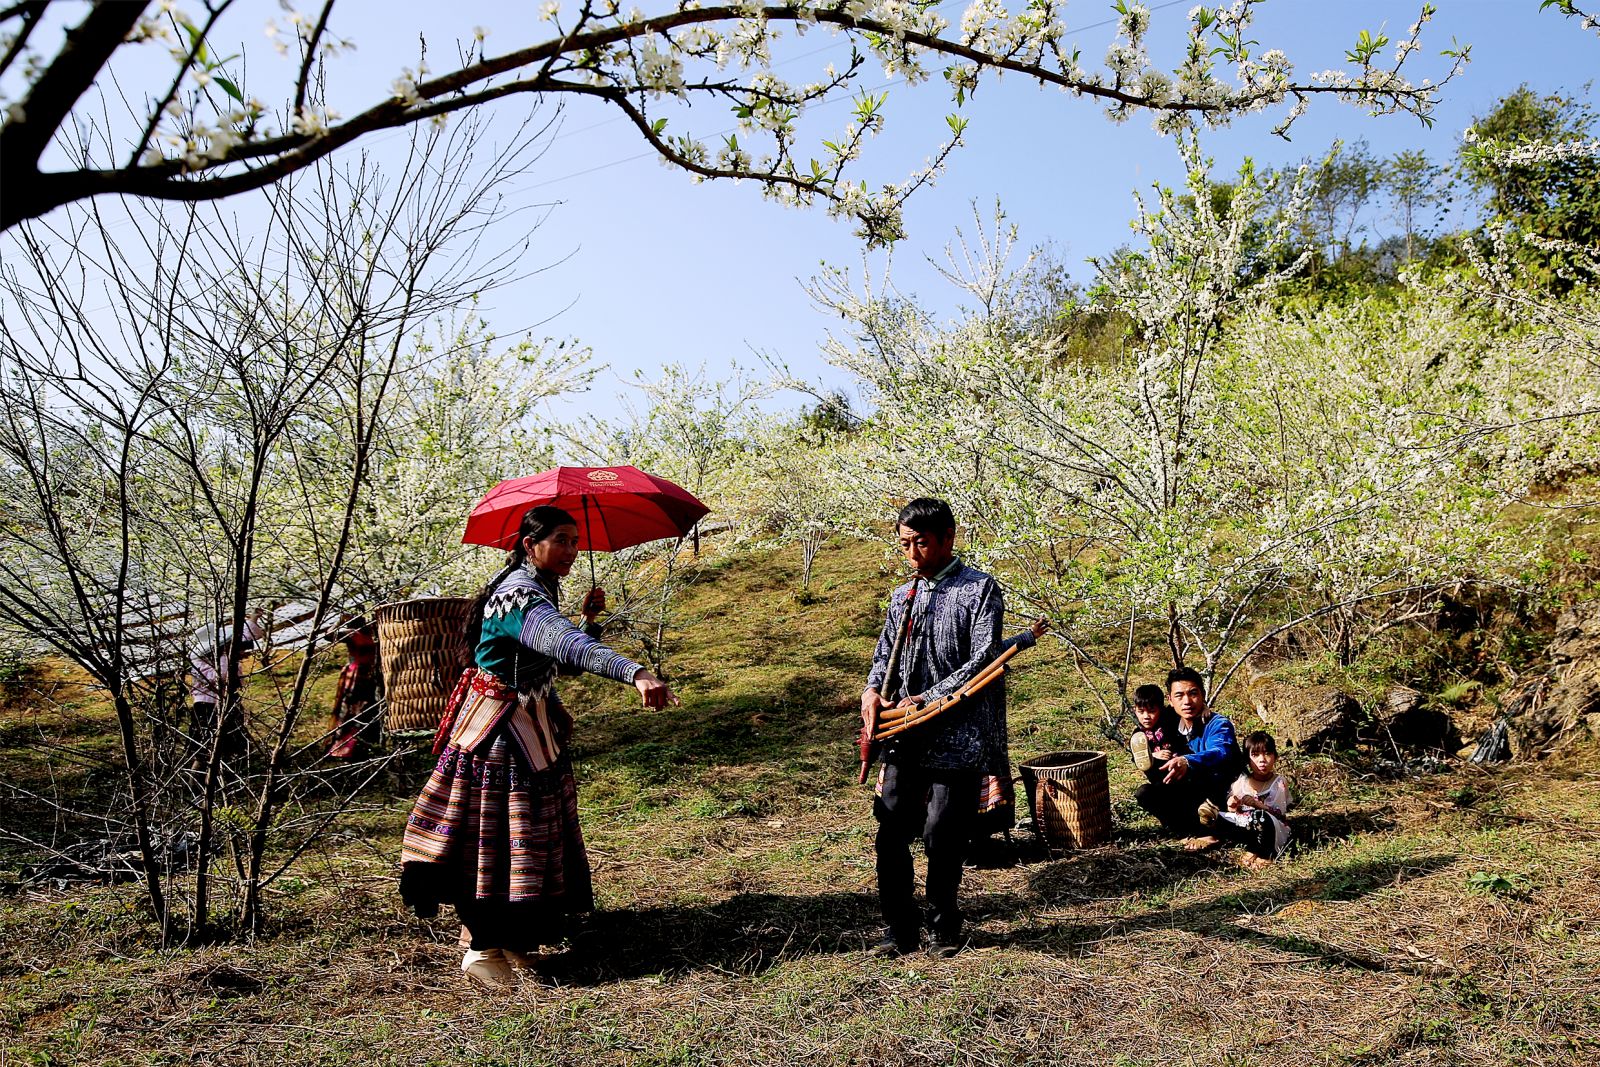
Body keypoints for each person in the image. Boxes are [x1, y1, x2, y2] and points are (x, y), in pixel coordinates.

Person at [399, 505, 678, 991]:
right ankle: (483, 947)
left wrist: (588, 620)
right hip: (499, 736)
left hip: (527, 729)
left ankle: (510, 940)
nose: (571, 550)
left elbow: (559, 659)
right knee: (494, 840)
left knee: (524, 838)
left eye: (575, 541)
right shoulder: (519, 595)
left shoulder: (539, 590)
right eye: (562, 540)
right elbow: (565, 645)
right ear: (530, 545)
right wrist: (635, 673)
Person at [860, 498, 1043, 958]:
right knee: (890, 829)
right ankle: (899, 928)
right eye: (905, 544)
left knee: (942, 832)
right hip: (904, 731)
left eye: (921, 543)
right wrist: (872, 691)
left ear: (948, 538)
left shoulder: (979, 589)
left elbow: (982, 659)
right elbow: (884, 653)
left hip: (958, 732)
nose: (912, 553)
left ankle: (944, 925)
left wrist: (927, 698)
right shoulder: (903, 595)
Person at [1134, 666, 1242, 849]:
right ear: (1170, 700)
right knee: (1146, 793)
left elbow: (1220, 751)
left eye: (1193, 694)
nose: (1187, 701)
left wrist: (1187, 760)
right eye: (1179, 695)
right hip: (1189, 791)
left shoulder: (1217, 724)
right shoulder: (1169, 722)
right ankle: (1188, 831)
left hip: (1222, 793)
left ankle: (1214, 833)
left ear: (1202, 695)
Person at [1213, 730, 1292, 870]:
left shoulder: (1279, 783)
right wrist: (1233, 805)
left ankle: (1264, 854)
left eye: (1267, 753)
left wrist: (1257, 804)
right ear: (1247, 759)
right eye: (1255, 755)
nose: (1262, 760)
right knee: (1217, 815)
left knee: (1260, 817)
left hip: (1272, 829)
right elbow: (1234, 809)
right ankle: (1246, 844)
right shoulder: (1242, 782)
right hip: (1248, 827)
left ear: (1275, 757)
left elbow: (1278, 814)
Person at [327, 616, 378, 759]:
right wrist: (340, 620)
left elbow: (329, 634)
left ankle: (359, 746)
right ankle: (345, 747)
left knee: (361, 709)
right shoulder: (355, 634)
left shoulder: (365, 634)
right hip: (359, 675)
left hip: (365, 675)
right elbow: (329, 635)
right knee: (352, 709)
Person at [1128, 682, 1185, 781]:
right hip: (1160, 780)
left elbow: (1184, 708)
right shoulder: (1138, 736)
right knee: (1143, 790)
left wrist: (1203, 708)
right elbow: (1137, 757)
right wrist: (1152, 755)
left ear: (1161, 709)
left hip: (1183, 773)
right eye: (1141, 711)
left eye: (1152, 711)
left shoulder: (1171, 718)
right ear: (1135, 710)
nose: (1146, 716)